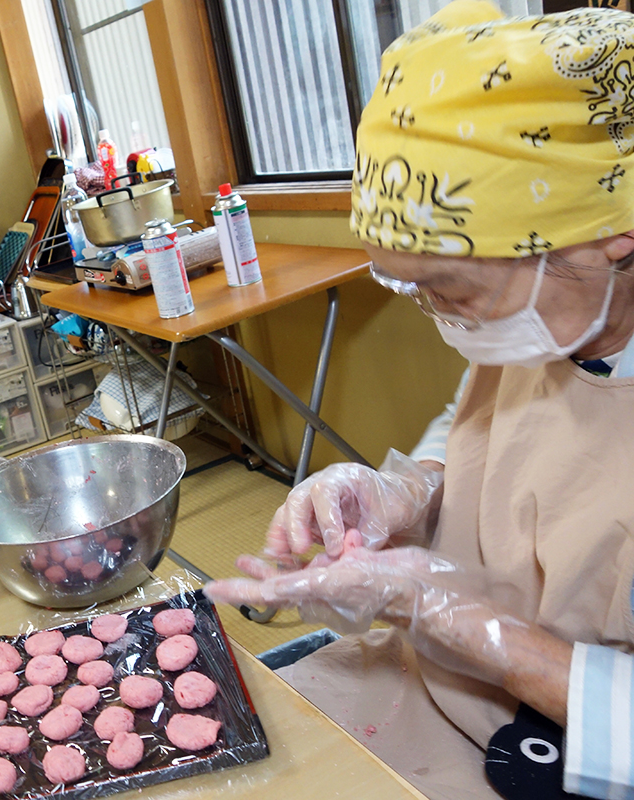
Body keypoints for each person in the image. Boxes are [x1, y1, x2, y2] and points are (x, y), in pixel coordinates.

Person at [204, 4, 634, 799]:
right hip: (435, 689)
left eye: (453, 290)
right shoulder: (556, 320)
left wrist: (441, 609)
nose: (443, 321)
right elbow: (488, 435)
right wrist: (404, 490)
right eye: (413, 291)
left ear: (609, 235)